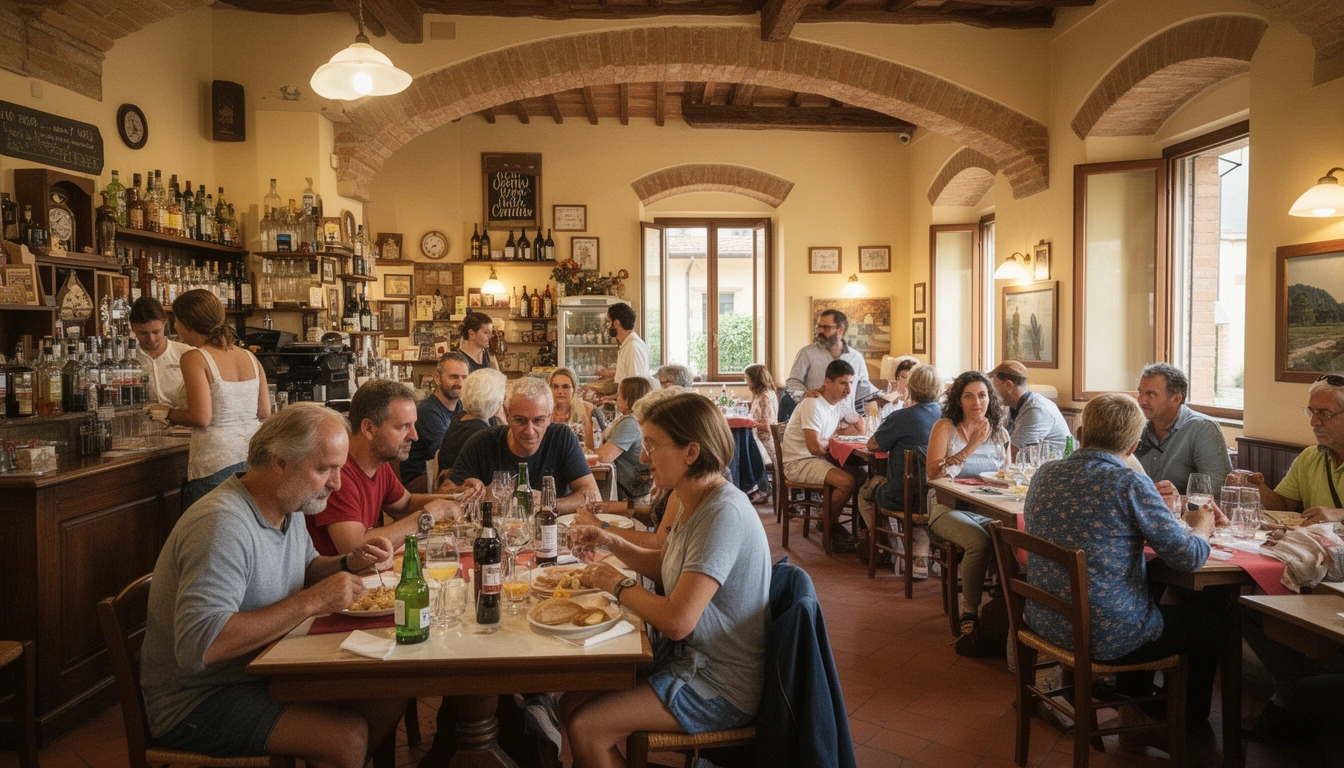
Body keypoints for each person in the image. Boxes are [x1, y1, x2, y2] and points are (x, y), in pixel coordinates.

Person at [140, 403, 405, 767]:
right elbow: (201, 645)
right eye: (324, 468)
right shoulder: (222, 525)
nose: (336, 483)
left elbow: (307, 568)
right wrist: (311, 602)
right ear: (279, 461)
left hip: (266, 668)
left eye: (339, 468)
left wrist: (348, 562)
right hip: (200, 698)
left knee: (391, 693)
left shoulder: (290, 504)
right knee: (346, 739)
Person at [560, 393, 771, 766]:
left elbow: (677, 621)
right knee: (572, 700)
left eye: (653, 446)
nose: (643, 458)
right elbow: (665, 565)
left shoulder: (722, 513)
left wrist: (616, 583)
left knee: (585, 727)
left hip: (717, 684)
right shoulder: (694, 498)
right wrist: (611, 540)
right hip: (687, 658)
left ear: (692, 452)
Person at [1024, 393, 1223, 738]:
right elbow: (1188, 557)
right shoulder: (1129, 482)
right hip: (1101, 635)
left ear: (1081, 435)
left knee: (1141, 599)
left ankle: (1134, 706)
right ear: (1133, 447)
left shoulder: (1046, 472)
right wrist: (1201, 524)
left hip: (1046, 618)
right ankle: (1178, 722)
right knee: (1213, 624)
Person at [306, 379, 462, 557]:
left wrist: (456, 499)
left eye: (413, 425)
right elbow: (354, 547)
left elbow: (405, 505)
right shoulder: (337, 472)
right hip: (335, 580)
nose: (415, 436)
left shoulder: (378, 462)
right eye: (403, 427)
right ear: (369, 428)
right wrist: (427, 516)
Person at [166, 290, 269, 508]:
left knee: (206, 534)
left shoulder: (194, 357)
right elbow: (264, 412)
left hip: (215, 461)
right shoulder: (249, 356)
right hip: (253, 458)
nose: (174, 326)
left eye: (175, 320)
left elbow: (201, 417)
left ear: (186, 323)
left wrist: (166, 414)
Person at [926, 370, 1007, 637]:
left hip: (987, 506)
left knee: (1009, 536)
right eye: (969, 396)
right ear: (959, 400)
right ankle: (969, 610)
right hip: (946, 505)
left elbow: (1006, 474)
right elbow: (934, 475)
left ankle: (1001, 604)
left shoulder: (998, 431)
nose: (977, 402)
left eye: (982, 395)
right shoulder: (946, 427)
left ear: (990, 399)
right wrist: (970, 447)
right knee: (979, 541)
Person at [442, 375, 600, 510]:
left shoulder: (561, 438)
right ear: (506, 414)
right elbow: (443, 493)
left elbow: (593, 496)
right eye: (520, 420)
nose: (530, 431)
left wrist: (549, 503)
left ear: (550, 417)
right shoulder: (482, 442)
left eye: (538, 420)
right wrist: (464, 491)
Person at [856, 363, 943, 578]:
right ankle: (918, 554)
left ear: (910, 386)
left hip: (900, 495)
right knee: (918, 502)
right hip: (939, 498)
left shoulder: (901, 417)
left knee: (865, 492)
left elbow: (872, 445)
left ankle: (890, 547)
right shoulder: (947, 417)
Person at [1229, 373, 1344, 525]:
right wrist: (1259, 490)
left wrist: (1339, 515)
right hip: (1315, 547)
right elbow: (1283, 505)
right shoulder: (1310, 457)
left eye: (1324, 413)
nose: (1314, 422)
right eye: (1311, 412)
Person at [780, 360, 865, 542]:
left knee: (863, 476)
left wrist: (836, 435)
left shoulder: (839, 403)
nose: (849, 390)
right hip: (799, 462)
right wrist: (835, 438)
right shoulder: (813, 404)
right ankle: (827, 526)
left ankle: (862, 534)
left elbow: (860, 427)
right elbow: (815, 447)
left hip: (818, 459)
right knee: (847, 482)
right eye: (843, 383)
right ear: (827, 382)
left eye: (850, 383)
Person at [1134, 363, 1231, 495]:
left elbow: (1217, 491)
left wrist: (1178, 500)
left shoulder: (1202, 428)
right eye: (1140, 392)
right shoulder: (1135, 427)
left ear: (1176, 399)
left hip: (1185, 513)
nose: (1140, 400)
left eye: (1150, 394)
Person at [785, 309, 877, 413]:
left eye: (825, 327)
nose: (820, 331)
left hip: (845, 418)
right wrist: (803, 395)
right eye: (818, 326)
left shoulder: (856, 357)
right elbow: (793, 381)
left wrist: (884, 394)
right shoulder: (806, 353)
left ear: (840, 330)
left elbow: (863, 387)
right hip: (815, 415)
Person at [401, 352, 468, 492]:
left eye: (464, 377)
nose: (460, 383)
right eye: (453, 377)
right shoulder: (428, 411)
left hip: (442, 473)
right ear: (437, 379)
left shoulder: (461, 407)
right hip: (420, 479)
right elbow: (445, 455)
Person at [988, 360, 1071, 453]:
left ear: (1008, 385)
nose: (992, 391)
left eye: (994, 384)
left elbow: (1013, 453)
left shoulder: (1036, 410)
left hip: (1055, 465)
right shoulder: (1015, 406)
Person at [435, 368, 506, 475]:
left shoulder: (461, 418)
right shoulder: (483, 433)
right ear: (496, 400)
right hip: (465, 487)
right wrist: (504, 421)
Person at [594, 376, 654, 501]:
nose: (617, 398)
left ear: (629, 399)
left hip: (632, 493)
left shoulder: (631, 422)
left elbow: (604, 456)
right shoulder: (630, 419)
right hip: (629, 488)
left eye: (620, 394)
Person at [130, 296, 193, 409]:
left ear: (164, 323)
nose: (151, 339)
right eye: (143, 333)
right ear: (132, 328)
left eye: (156, 332)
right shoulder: (127, 360)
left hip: (183, 423)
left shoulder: (186, 353)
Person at [744, 363, 778, 504]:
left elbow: (766, 426)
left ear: (754, 379)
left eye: (747, 378)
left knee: (742, 452)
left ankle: (755, 490)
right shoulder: (763, 394)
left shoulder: (765, 397)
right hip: (758, 440)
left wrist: (748, 423)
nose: (746, 381)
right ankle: (754, 489)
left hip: (765, 443)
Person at [595, 302, 650, 384]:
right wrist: (611, 375)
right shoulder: (628, 344)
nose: (608, 326)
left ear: (616, 323)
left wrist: (612, 396)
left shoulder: (633, 348)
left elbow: (634, 387)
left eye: (609, 322)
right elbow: (627, 375)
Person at [550, 367, 600, 451]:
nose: (560, 391)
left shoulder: (589, 411)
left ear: (574, 388)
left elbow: (594, 449)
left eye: (565, 386)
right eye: (555, 386)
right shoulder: (542, 412)